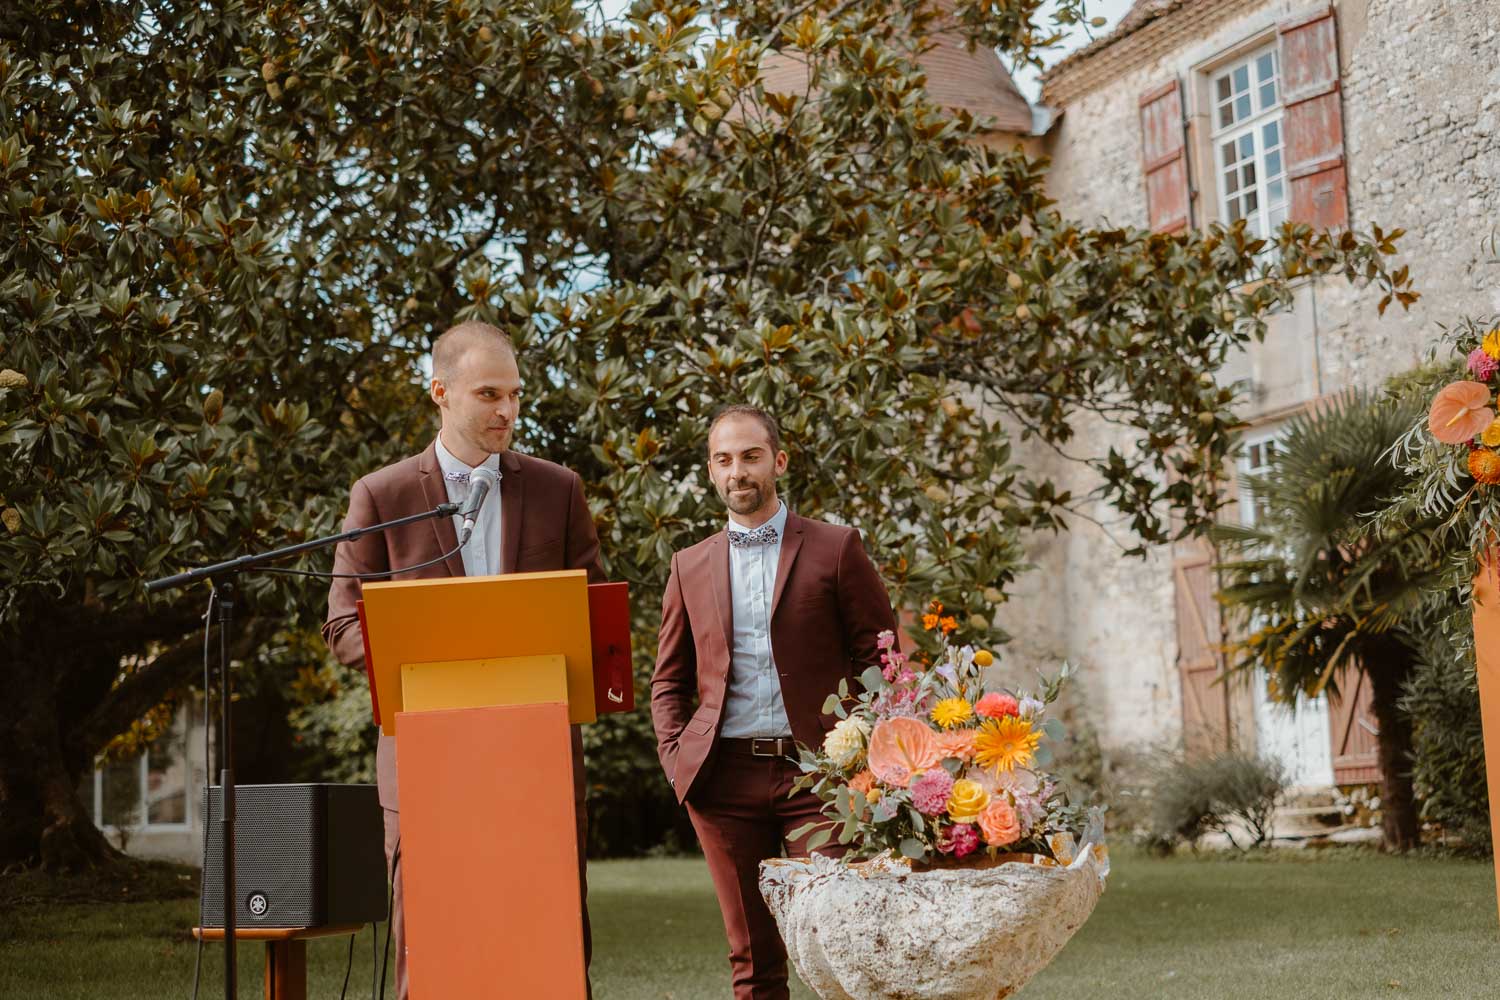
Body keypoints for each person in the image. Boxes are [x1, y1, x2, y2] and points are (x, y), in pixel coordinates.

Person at [322, 320, 603, 999]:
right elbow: (340, 626)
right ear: (440, 393)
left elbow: (595, 608)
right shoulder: (381, 495)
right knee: (432, 955)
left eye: (514, 395)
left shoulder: (556, 488)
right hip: (426, 758)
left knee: (552, 954)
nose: (507, 410)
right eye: (488, 394)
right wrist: (436, 650)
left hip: (536, 755)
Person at [650, 404, 897, 1000]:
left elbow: (882, 659)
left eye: (751, 456)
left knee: (843, 938)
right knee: (753, 958)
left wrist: (864, 753)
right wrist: (677, 756)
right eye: (724, 459)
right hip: (722, 781)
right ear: (711, 472)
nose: (738, 471)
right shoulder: (688, 566)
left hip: (820, 779)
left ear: (778, 462)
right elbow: (668, 680)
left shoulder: (836, 548)